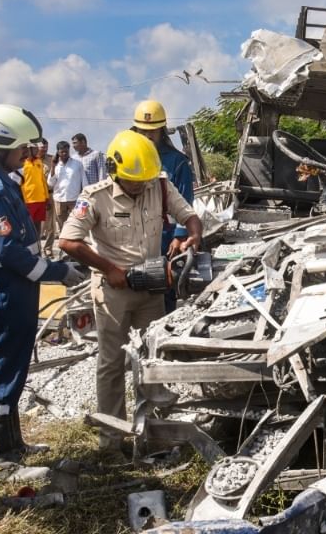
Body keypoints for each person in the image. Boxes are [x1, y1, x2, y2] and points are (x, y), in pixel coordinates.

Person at [0, 105, 88, 476]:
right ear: (1, 146)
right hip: (4, 290)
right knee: (2, 373)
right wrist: (58, 271)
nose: (27, 153)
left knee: (14, 368)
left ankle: (14, 444)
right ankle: (0, 458)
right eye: (20, 147)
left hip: (13, 290)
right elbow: (11, 252)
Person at [58, 129, 201, 454]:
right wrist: (109, 269)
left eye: (145, 181)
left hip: (150, 289)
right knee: (112, 363)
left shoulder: (159, 184)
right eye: (135, 182)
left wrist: (191, 235)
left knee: (151, 360)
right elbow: (67, 241)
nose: (141, 187)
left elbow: (190, 215)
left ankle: (153, 434)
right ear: (115, 172)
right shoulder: (95, 196)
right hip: (113, 291)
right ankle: (111, 441)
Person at [131, 100, 195, 312]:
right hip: (133, 235)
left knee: (163, 283)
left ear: (162, 131)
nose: (148, 136)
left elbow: (185, 201)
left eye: (153, 131)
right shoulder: (129, 160)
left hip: (165, 235)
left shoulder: (177, 162)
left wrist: (179, 235)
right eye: (143, 131)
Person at [48, 141, 85, 246]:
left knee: (76, 223)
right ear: (58, 152)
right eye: (62, 152)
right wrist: (53, 167)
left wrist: (84, 197)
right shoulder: (56, 166)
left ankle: (76, 246)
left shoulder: (77, 164)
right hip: (59, 200)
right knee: (62, 225)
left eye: (66, 151)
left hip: (75, 200)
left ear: (69, 151)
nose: (64, 154)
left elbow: (84, 181)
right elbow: (50, 183)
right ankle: (65, 248)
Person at [18, 140, 50, 247]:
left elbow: (43, 181)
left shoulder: (39, 162)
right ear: (29, 150)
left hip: (41, 199)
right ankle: (29, 249)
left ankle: (38, 248)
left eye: (37, 149)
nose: (37, 151)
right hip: (28, 200)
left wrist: (47, 197)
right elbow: (19, 183)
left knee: (38, 225)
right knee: (28, 226)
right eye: (35, 149)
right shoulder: (22, 163)